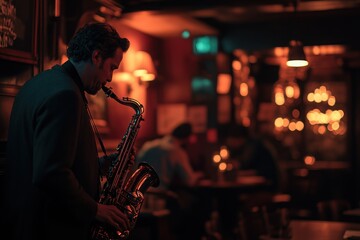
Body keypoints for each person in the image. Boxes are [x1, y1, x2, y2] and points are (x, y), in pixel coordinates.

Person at [3, 22, 131, 240]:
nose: (109, 78)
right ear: (97, 56)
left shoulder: (39, 83)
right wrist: (96, 209)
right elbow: (50, 173)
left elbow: (51, 159)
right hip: (50, 228)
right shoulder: (66, 94)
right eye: (112, 67)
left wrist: (101, 165)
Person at [135, 122, 204, 239]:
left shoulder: (148, 145)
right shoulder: (176, 150)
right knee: (197, 204)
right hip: (160, 199)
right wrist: (200, 175)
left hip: (138, 198)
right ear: (186, 138)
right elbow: (190, 181)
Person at [225, 124, 280, 191]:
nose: (230, 143)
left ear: (239, 139)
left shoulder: (253, 146)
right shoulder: (246, 147)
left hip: (267, 187)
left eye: (231, 140)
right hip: (262, 186)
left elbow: (243, 165)